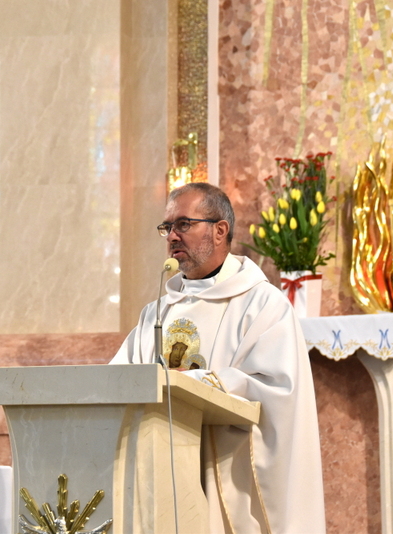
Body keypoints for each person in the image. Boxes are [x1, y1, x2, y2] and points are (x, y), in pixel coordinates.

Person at [111, 183, 326, 533]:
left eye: (183, 224)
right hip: (160, 476)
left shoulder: (262, 305)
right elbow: (117, 381)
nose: (171, 237)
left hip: (226, 476)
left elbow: (278, 393)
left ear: (220, 230)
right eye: (167, 227)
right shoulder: (157, 312)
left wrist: (202, 385)